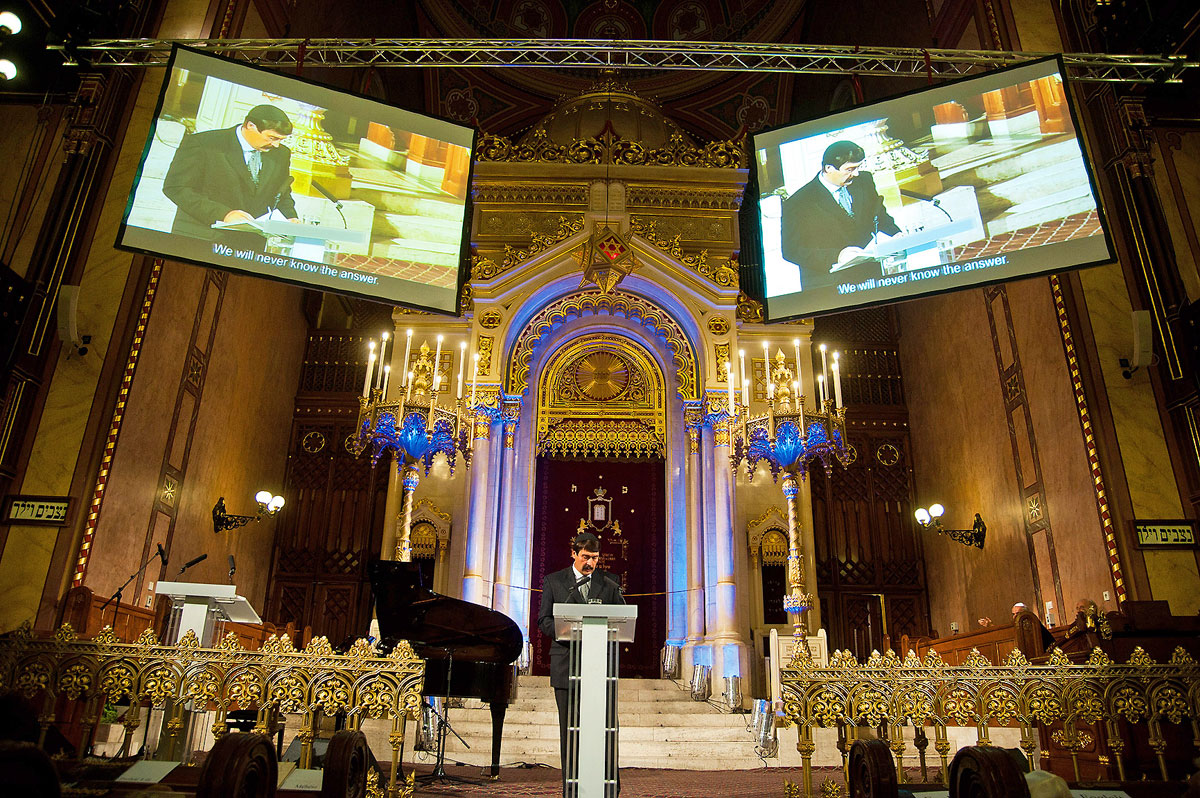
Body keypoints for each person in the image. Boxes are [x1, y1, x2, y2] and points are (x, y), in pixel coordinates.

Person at [537, 532, 625, 789]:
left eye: (595, 558)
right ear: (573, 553)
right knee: (570, 729)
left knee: (605, 728)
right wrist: (565, 631)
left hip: (600, 668)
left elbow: (621, 619)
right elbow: (544, 620)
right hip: (566, 664)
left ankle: (608, 786)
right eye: (586, 557)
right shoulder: (554, 582)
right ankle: (572, 787)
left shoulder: (610, 583)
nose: (590, 563)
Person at [162, 104, 300, 250]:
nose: (276, 145)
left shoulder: (281, 154)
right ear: (250, 126)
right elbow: (176, 188)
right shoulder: (204, 143)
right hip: (201, 238)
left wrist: (289, 217)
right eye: (272, 137)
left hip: (249, 246)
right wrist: (224, 214)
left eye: (281, 140)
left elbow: (282, 192)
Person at [780, 140, 900, 289]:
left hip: (871, 276)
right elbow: (791, 250)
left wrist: (896, 235)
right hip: (828, 284)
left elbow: (879, 216)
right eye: (850, 169)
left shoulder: (864, 180)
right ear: (828, 168)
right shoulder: (798, 202)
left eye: (858, 167)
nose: (856, 174)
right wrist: (837, 256)